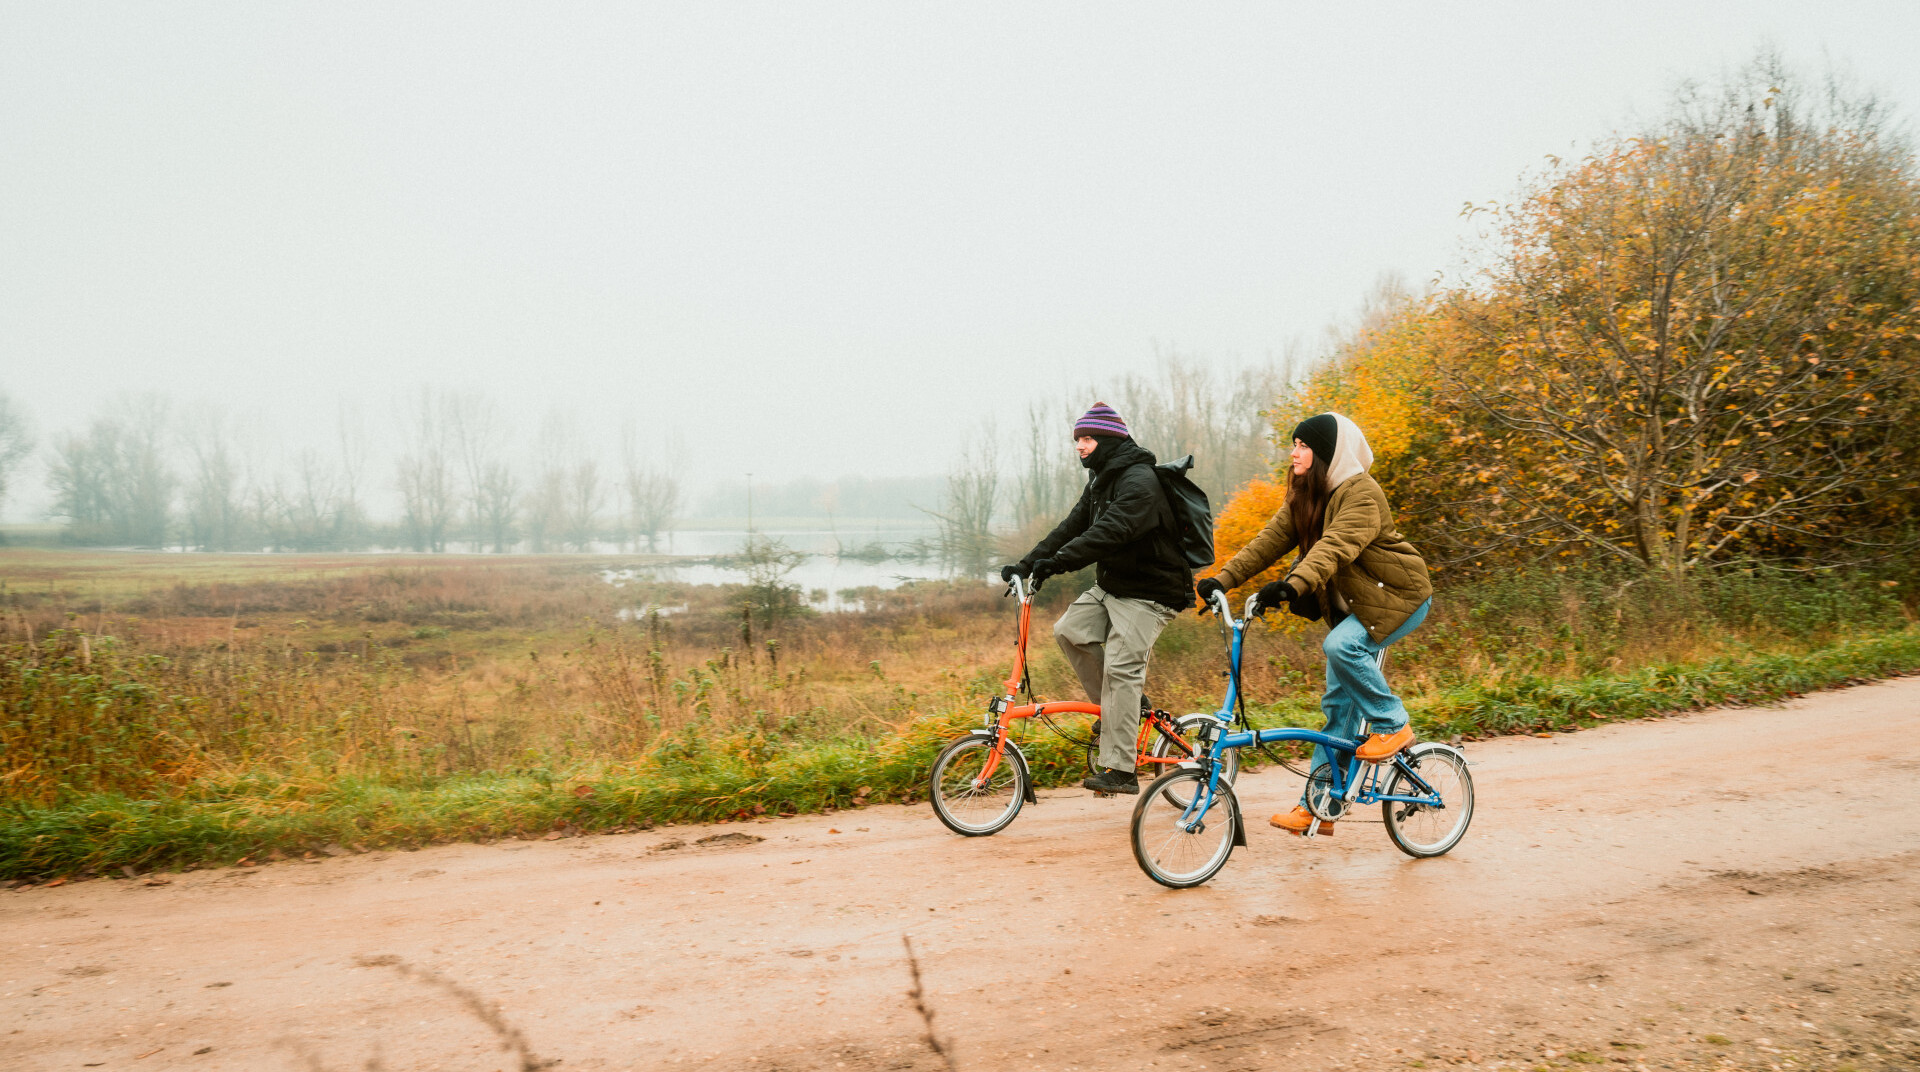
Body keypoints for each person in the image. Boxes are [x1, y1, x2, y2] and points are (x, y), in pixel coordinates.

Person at [1195, 412, 1432, 836]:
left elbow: (1334, 547)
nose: (1294, 453)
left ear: (1327, 454)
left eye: (1303, 445)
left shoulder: (1361, 493)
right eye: (1294, 444)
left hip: (1397, 600)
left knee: (1341, 647)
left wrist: (1292, 586)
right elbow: (1268, 540)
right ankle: (1320, 805)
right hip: (1355, 611)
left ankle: (1393, 724)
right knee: (1337, 708)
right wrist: (1222, 580)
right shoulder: (1307, 495)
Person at [1000, 403, 1195, 795]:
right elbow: (1072, 526)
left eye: (1086, 439)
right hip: (1113, 587)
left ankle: (1121, 770)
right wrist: (1027, 563)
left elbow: (1109, 532)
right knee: (1069, 631)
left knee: (1122, 670)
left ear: (1107, 441)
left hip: (1150, 593)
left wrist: (1057, 563)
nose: (1079, 446)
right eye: (1077, 440)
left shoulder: (1140, 482)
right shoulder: (1101, 479)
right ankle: (1123, 710)